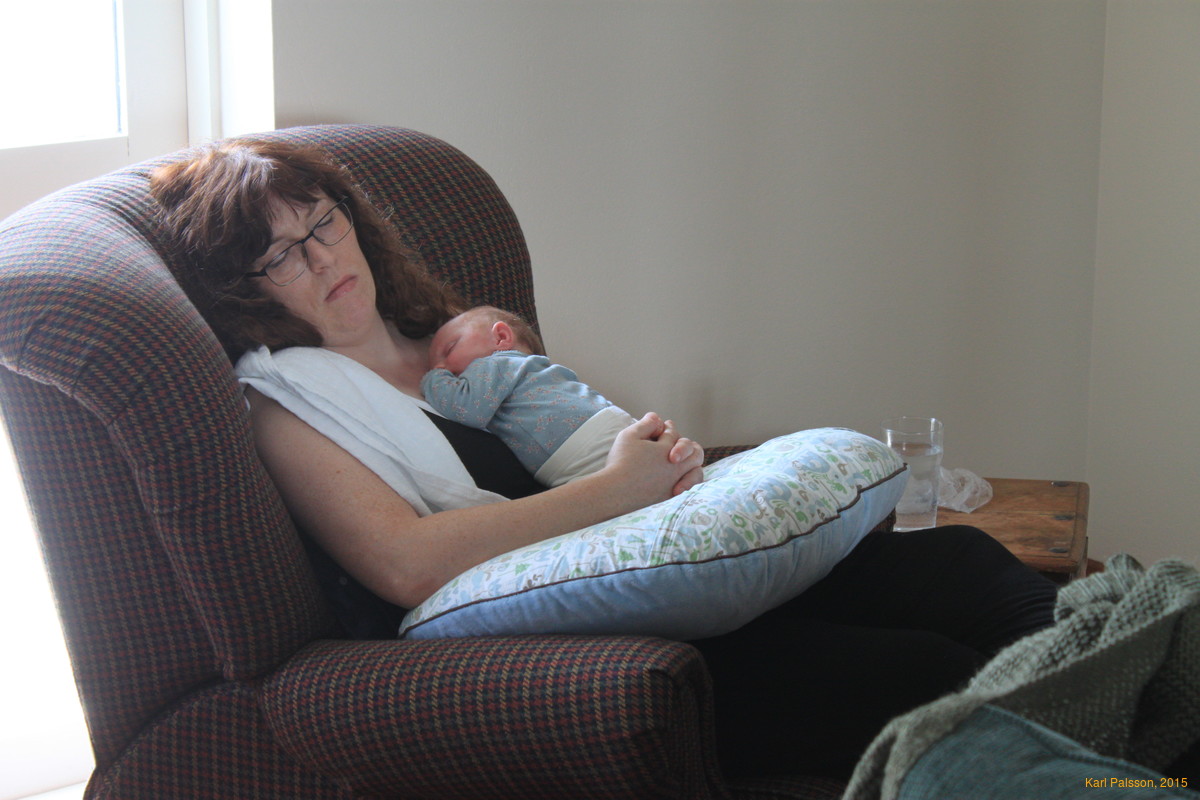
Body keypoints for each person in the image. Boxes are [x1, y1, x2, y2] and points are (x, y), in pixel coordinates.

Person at [150, 137, 1059, 781]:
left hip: (669, 564)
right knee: (922, 672)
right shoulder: (288, 407)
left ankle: (1126, 725)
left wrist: (658, 460)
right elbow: (403, 564)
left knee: (962, 565)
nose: (320, 259)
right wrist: (623, 488)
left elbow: (573, 438)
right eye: (280, 256)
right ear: (244, 292)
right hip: (588, 636)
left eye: (321, 224)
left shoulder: (447, 337)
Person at [422, 305, 637, 487]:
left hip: (583, 445)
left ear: (501, 337)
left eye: (449, 350)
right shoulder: (529, 372)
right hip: (601, 428)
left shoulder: (495, 364)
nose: (442, 366)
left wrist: (431, 378)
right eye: (435, 366)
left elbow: (465, 409)